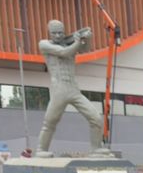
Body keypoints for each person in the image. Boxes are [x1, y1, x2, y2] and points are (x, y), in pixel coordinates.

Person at [35, 21, 105, 156]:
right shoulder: (44, 44)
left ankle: (96, 148)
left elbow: (84, 49)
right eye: (54, 33)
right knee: (50, 122)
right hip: (59, 89)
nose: (57, 35)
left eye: (60, 32)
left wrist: (87, 38)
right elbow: (64, 53)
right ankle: (41, 150)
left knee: (95, 118)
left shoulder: (69, 44)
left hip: (73, 89)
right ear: (49, 33)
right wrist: (78, 42)